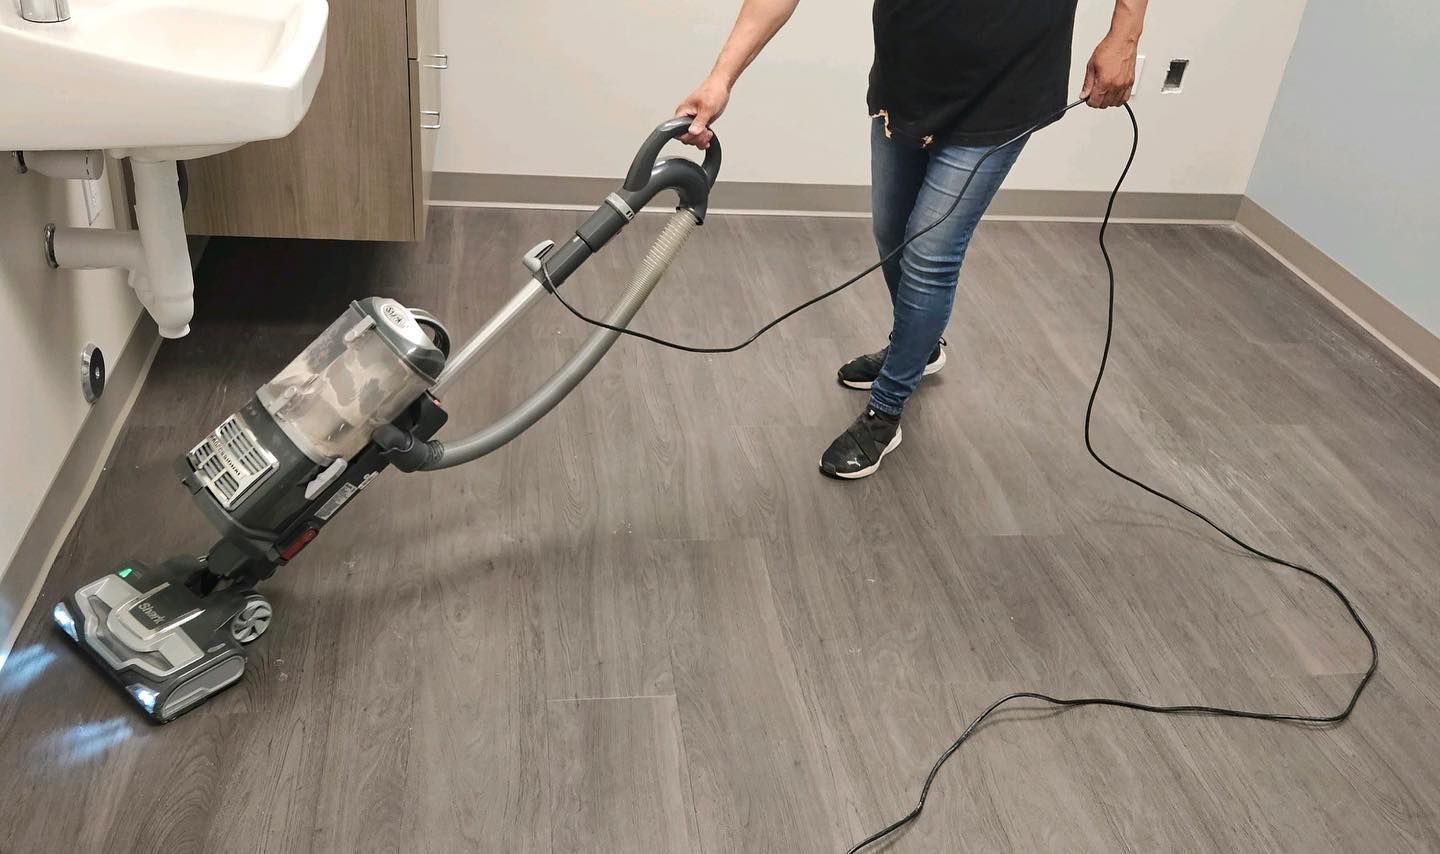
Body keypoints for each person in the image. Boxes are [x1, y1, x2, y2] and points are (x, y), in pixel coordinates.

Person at [677, 0, 1147, 479]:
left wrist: (1124, 36)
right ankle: (918, 348)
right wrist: (722, 76)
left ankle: (886, 410)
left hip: (1008, 77)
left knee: (930, 251)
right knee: (892, 232)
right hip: (910, 70)